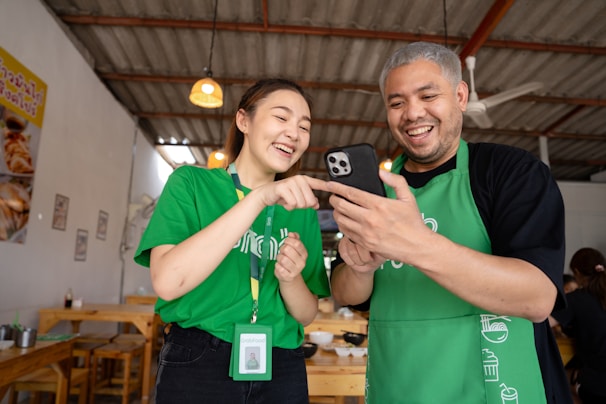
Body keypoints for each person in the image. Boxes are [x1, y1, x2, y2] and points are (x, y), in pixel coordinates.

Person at [326, 42, 572, 403]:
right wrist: (362, 268)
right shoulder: (377, 192)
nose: (412, 114)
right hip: (398, 387)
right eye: (397, 103)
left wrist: (415, 243)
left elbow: (537, 298)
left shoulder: (510, 172)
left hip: (498, 389)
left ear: (460, 95)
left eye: (428, 96)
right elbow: (347, 294)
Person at [134, 78, 331, 403]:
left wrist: (290, 278)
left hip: (281, 361)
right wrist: (258, 199)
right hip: (199, 358)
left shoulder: (301, 209)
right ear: (244, 121)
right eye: (281, 118)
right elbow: (168, 282)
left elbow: (306, 314)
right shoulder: (191, 183)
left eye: (304, 126)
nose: (294, 133)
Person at [550, 247, 606, 403]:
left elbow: (543, 321)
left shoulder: (577, 299)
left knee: (558, 381)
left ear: (577, 272)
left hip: (597, 383)